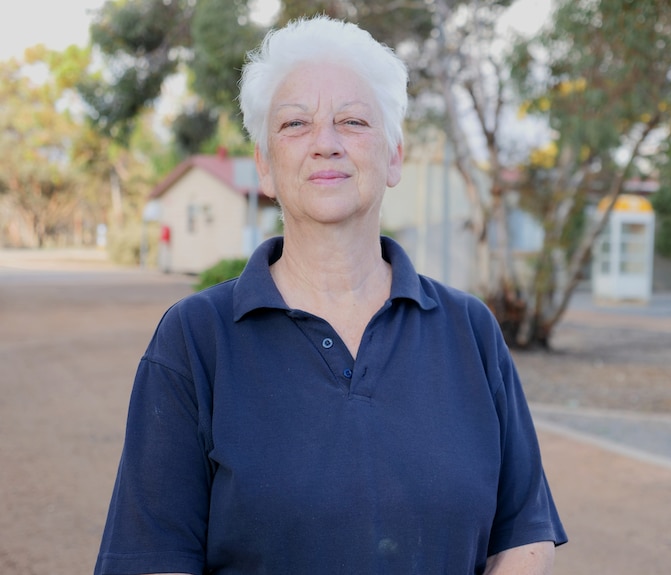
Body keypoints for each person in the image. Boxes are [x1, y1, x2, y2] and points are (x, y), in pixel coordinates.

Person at [94, 15, 567, 575]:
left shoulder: (471, 331)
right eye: (296, 124)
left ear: (393, 157)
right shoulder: (196, 338)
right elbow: (153, 558)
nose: (326, 143)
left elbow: (522, 537)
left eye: (353, 121)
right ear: (265, 167)